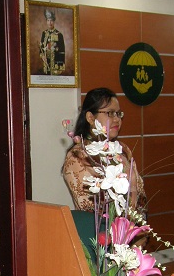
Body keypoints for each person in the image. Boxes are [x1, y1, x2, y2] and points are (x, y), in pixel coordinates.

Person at [62, 87, 147, 218]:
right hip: (99, 227)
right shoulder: (77, 156)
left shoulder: (123, 150)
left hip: (132, 226)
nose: (117, 119)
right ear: (90, 117)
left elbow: (141, 197)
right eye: (110, 113)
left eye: (118, 114)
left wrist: (136, 223)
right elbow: (90, 206)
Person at [39, 8, 65, 75]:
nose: (49, 23)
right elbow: (41, 48)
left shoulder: (59, 35)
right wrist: (42, 56)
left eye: (51, 21)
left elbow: (62, 51)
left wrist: (59, 66)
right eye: (48, 20)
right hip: (46, 64)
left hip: (55, 63)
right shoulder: (44, 33)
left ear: (54, 21)